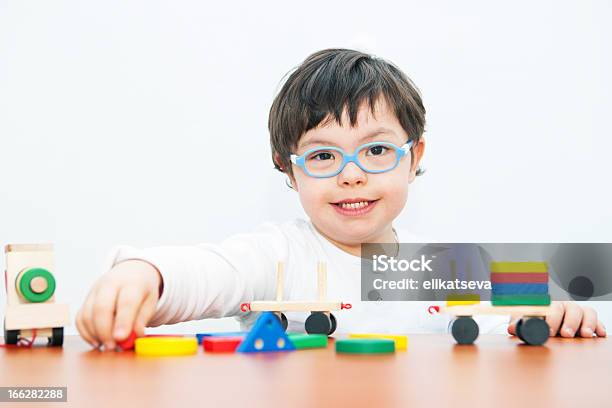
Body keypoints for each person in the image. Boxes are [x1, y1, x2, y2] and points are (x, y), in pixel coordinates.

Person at [76, 48, 606, 350]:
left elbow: (517, 316)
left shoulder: (449, 262)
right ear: (289, 168)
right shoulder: (278, 254)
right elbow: (208, 272)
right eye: (324, 157)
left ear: (414, 154)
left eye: (376, 150)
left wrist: (558, 313)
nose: (351, 177)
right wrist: (144, 273)